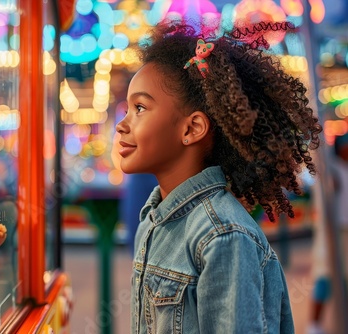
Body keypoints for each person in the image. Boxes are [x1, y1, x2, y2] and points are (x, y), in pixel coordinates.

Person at [115, 19, 322, 333]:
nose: (122, 124)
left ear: (192, 129)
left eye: (140, 108)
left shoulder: (223, 237)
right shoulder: (152, 220)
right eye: (128, 109)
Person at [308, 134, 348, 334]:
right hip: (331, 233)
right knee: (323, 277)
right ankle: (314, 325)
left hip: (344, 232)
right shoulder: (331, 169)